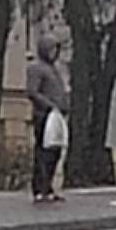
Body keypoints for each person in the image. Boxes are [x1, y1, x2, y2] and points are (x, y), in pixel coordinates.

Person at [26, 34, 69, 203]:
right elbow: (32, 92)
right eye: (51, 49)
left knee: (54, 152)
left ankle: (48, 186)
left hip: (56, 115)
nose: (54, 53)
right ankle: (39, 187)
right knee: (44, 152)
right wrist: (50, 105)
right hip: (44, 115)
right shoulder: (36, 68)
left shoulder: (53, 69)